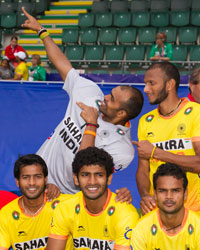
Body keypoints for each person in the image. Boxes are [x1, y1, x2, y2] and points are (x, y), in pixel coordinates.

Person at [21, 8, 144, 199]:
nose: (104, 97)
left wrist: (91, 125)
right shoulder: (90, 93)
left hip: (68, 200)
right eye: (109, 93)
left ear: (121, 114)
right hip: (35, 183)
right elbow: (63, 65)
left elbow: (83, 168)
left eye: (111, 98)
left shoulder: (123, 150)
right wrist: (41, 31)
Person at [133, 62, 200, 215]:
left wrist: (156, 153)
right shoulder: (145, 121)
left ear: (170, 84)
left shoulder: (196, 113)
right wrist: (144, 195)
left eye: (151, 83)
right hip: (157, 213)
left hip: (193, 212)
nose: (146, 89)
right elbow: (143, 169)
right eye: (145, 84)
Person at [47, 147, 139, 250]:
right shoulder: (64, 208)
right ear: (76, 179)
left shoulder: (126, 215)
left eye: (99, 175)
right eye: (85, 175)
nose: (92, 181)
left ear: (109, 178)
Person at [0, 154, 72, 250]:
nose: (32, 183)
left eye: (37, 177)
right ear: (17, 182)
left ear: (45, 180)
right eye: (26, 177)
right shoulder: (6, 214)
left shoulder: (66, 205)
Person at [131, 163, 200, 250]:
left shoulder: (198, 227)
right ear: (155, 194)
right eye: (162, 191)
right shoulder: (141, 229)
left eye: (175, 190)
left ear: (185, 194)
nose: (169, 196)